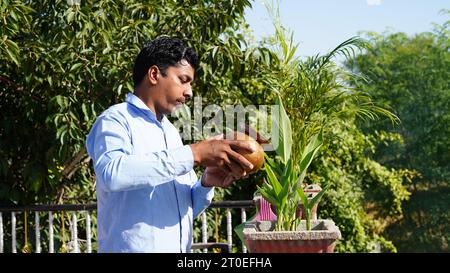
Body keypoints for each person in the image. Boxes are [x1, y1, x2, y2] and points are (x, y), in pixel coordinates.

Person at [86, 36, 255, 253]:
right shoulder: (115, 120)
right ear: (154, 74)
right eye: (183, 79)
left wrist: (206, 183)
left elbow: (181, 212)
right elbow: (113, 174)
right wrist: (194, 153)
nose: (189, 92)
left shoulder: (171, 133)